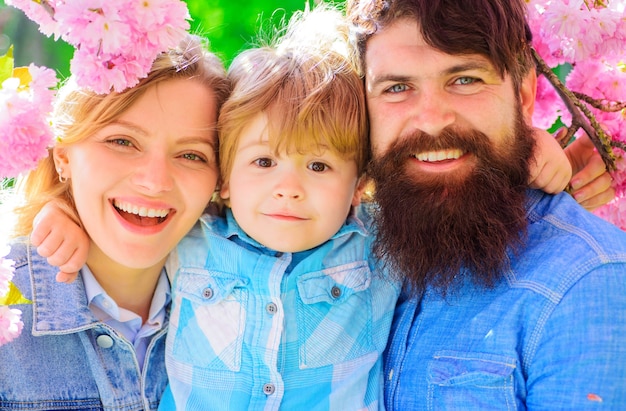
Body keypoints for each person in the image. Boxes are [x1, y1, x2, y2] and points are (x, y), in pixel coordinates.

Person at [346, 0, 626, 409]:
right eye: (397, 88)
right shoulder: (338, 248)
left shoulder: (586, 282)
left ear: (524, 95)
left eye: (465, 80)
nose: (431, 120)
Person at [0, 34, 229, 410]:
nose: (156, 181)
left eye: (191, 154)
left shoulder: (245, 299)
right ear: (64, 157)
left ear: (220, 181)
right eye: (122, 142)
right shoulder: (7, 306)